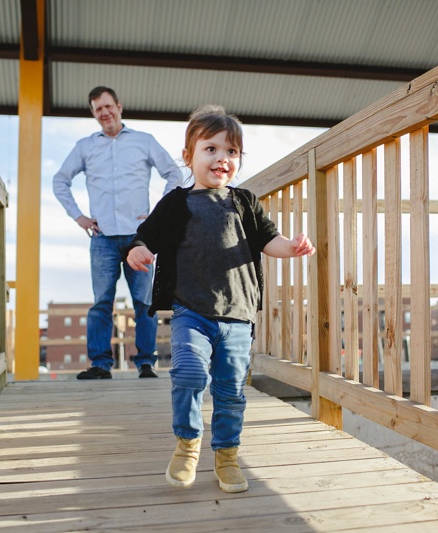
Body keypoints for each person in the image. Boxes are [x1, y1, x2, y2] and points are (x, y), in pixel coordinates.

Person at [124, 105, 316, 493]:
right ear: (189, 156)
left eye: (231, 152)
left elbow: (268, 240)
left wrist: (291, 246)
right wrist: (138, 250)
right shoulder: (176, 203)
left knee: (229, 389)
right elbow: (145, 236)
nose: (221, 159)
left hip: (237, 315)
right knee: (190, 374)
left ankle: (227, 454)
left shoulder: (243, 201)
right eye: (210, 149)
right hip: (189, 310)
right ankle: (187, 444)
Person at [53, 86, 183, 380]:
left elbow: (173, 174)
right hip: (102, 238)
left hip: (140, 237)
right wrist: (79, 217)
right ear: (93, 113)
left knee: (144, 302)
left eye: (108, 106)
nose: (104, 113)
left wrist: (157, 215)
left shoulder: (143, 141)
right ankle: (100, 364)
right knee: (101, 302)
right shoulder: (85, 147)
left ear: (119, 106)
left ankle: (146, 363)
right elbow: (60, 180)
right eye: (98, 109)